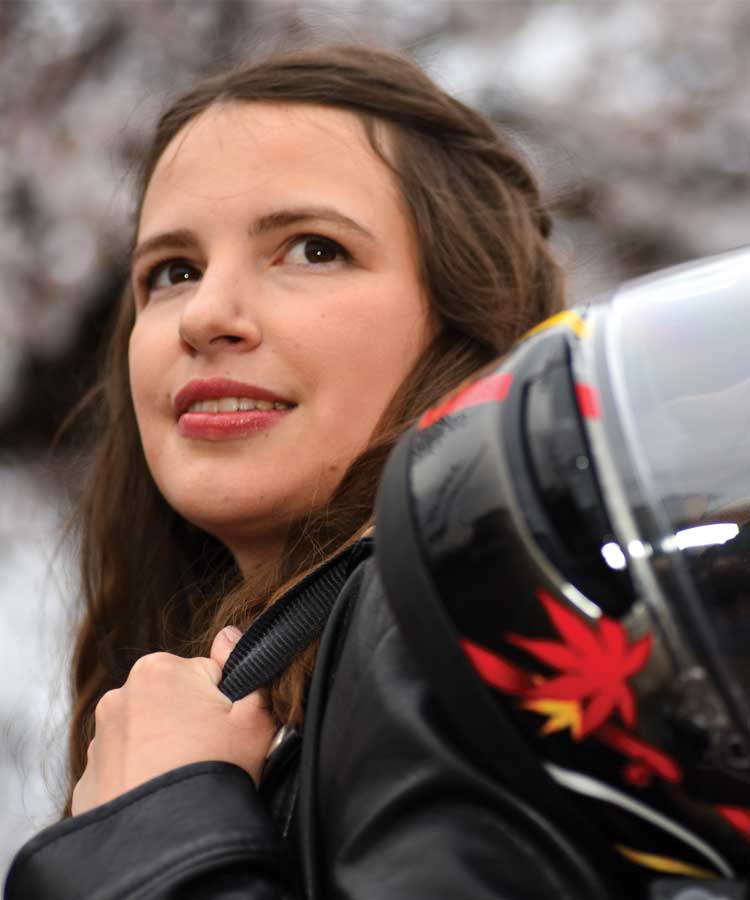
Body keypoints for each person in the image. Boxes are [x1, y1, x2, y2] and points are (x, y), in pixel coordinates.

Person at [3, 44, 589, 899]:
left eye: (313, 250)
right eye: (173, 272)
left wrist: (156, 844)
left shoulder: (467, 630)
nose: (205, 315)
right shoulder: (321, 669)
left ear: (469, 322)